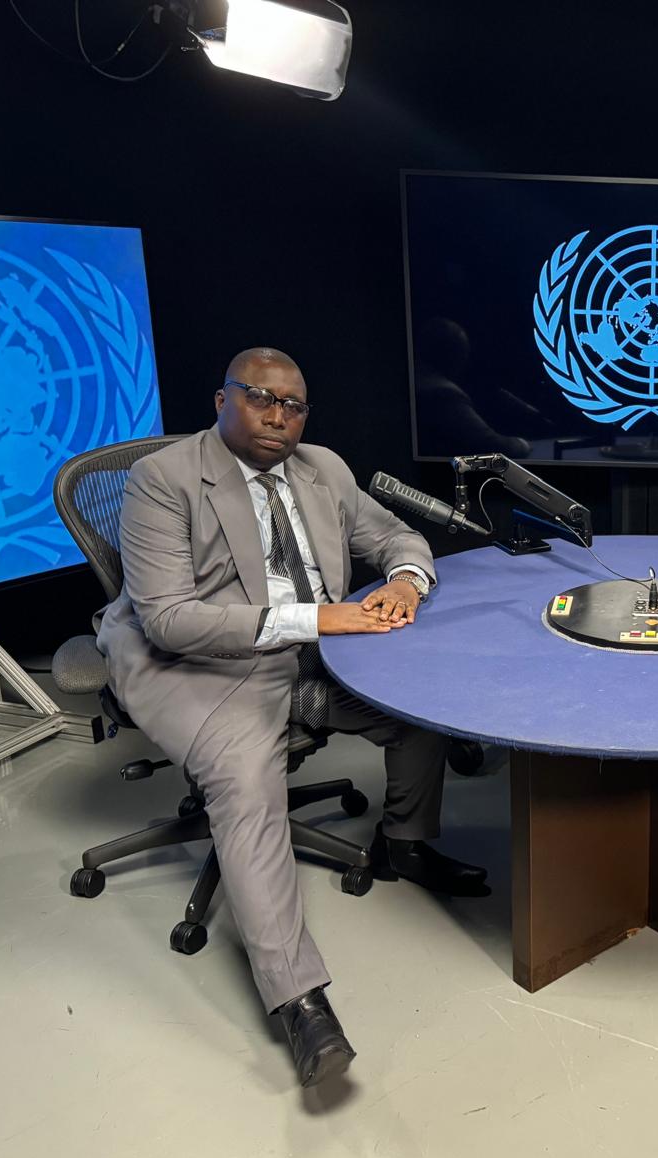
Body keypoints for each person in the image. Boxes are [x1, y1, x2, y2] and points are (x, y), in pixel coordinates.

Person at [96, 347, 488, 1087]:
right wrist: (323, 619)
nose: (279, 416)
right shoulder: (163, 480)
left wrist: (405, 582)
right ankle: (300, 1003)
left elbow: (399, 539)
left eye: (295, 405)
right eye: (260, 398)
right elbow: (172, 622)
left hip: (309, 651)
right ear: (221, 400)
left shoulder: (323, 469)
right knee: (249, 786)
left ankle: (405, 843)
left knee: (419, 709)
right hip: (201, 666)